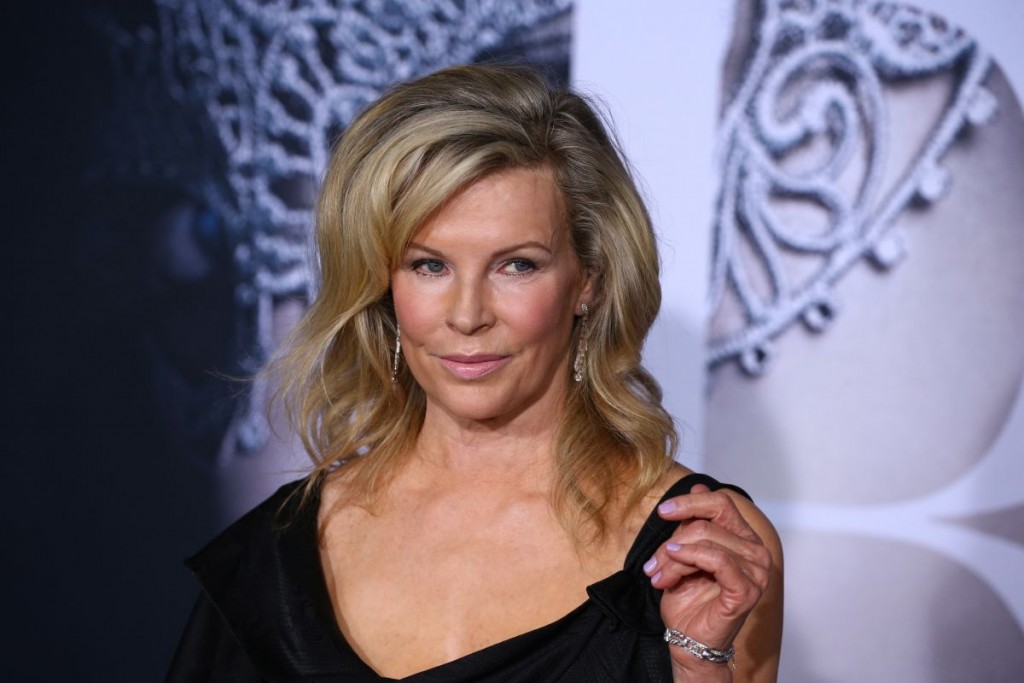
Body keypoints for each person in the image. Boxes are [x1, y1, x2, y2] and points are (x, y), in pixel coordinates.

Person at [167, 64, 783, 682]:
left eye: (516, 265)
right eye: (429, 266)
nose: (467, 316)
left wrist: (698, 668)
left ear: (588, 281)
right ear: (383, 285)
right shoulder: (277, 554)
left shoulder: (703, 548)